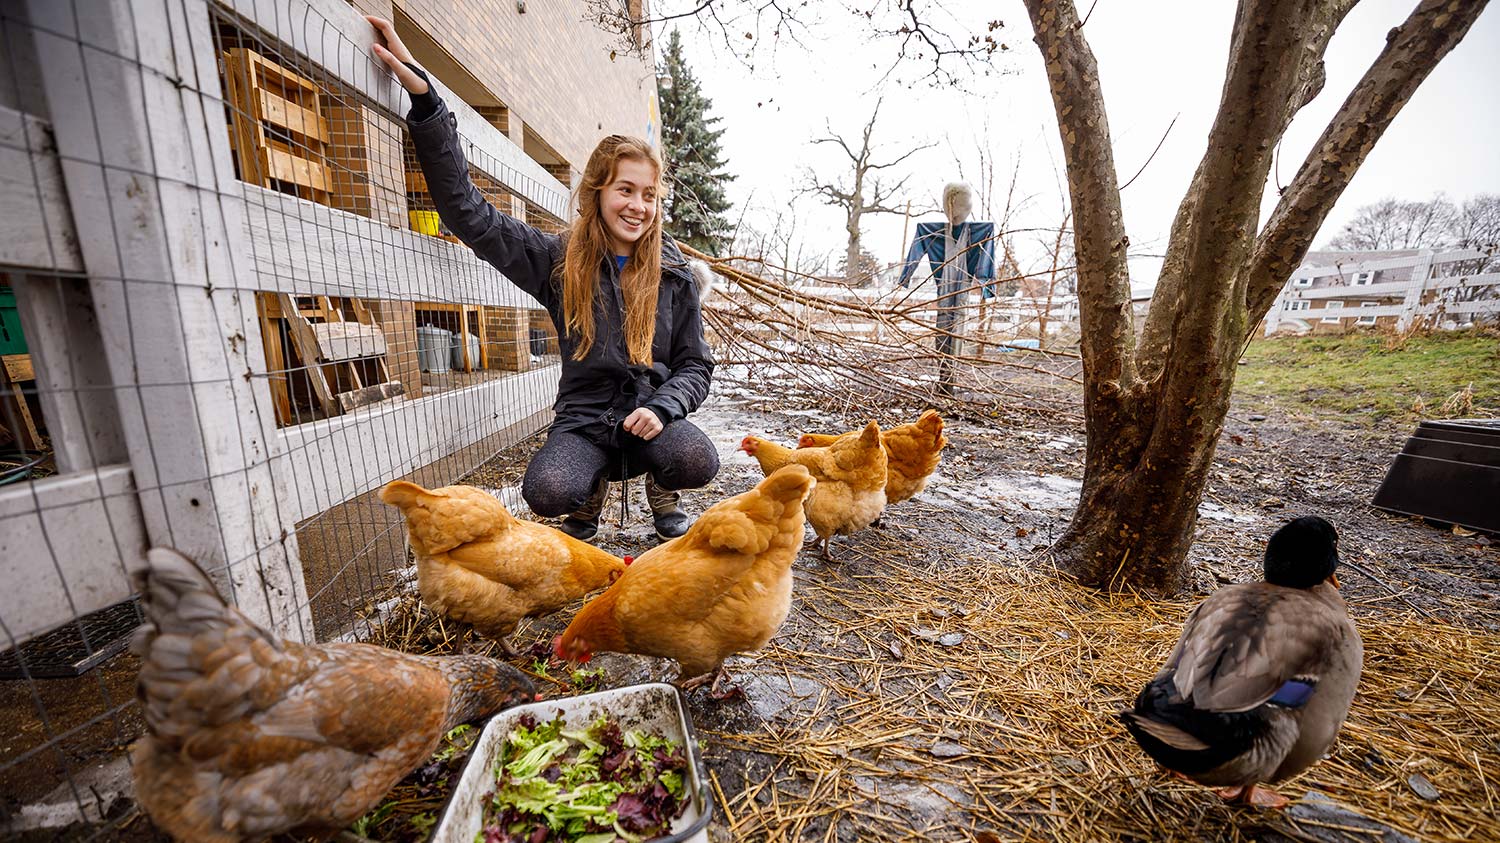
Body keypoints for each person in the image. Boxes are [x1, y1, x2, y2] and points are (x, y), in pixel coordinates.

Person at [369, 17, 719, 541]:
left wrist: (663, 409)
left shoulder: (674, 274)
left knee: (696, 460)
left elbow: (694, 365)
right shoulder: (559, 260)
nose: (638, 206)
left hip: (652, 418)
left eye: (649, 195)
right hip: (587, 422)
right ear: (598, 192)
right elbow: (469, 213)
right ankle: (591, 484)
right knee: (549, 491)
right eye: (626, 190)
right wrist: (427, 105)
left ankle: (660, 487)